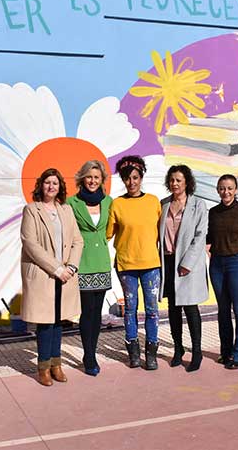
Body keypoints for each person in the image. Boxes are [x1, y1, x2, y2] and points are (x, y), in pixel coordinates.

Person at [20, 168, 84, 386]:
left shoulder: (66, 210)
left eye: (55, 183)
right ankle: (43, 367)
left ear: (60, 187)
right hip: (44, 275)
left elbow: (78, 241)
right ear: (41, 185)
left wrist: (72, 267)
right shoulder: (31, 210)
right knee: (45, 324)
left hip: (65, 276)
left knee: (59, 322)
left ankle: (57, 365)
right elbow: (30, 244)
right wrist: (57, 269)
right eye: (47, 182)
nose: (51, 187)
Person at [106, 155, 162, 370]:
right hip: (126, 265)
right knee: (130, 309)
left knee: (152, 310)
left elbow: (162, 232)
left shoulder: (153, 201)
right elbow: (107, 233)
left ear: (141, 177)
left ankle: (151, 353)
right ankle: (133, 353)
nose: (132, 182)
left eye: (136, 177)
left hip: (150, 264)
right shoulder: (117, 204)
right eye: (127, 179)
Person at [158, 164, 208, 372]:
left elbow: (200, 236)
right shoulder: (164, 204)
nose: (174, 183)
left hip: (189, 263)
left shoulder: (198, 205)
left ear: (187, 181)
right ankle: (178, 349)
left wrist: (187, 263)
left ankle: (197, 351)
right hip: (168, 261)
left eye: (178, 179)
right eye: (172, 180)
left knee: (190, 307)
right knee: (173, 308)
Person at [66, 160, 113, 377]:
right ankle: (89, 356)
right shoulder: (71, 203)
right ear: (82, 179)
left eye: (96, 177)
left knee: (98, 313)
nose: (93, 181)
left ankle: (92, 351)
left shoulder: (109, 202)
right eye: (89, 177)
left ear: (102, 180)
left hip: (102, 262)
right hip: (82, 263)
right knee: (87, 312)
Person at [206, 174, 238, 370]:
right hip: (217, 264)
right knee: (223, 310)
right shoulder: (213, 212)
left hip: (237, 263)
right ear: (217, 190)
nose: (225, 192)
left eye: (229, 188)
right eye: (221, 188)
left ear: (236, 190)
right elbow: (208, 236)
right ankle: (226, 352)